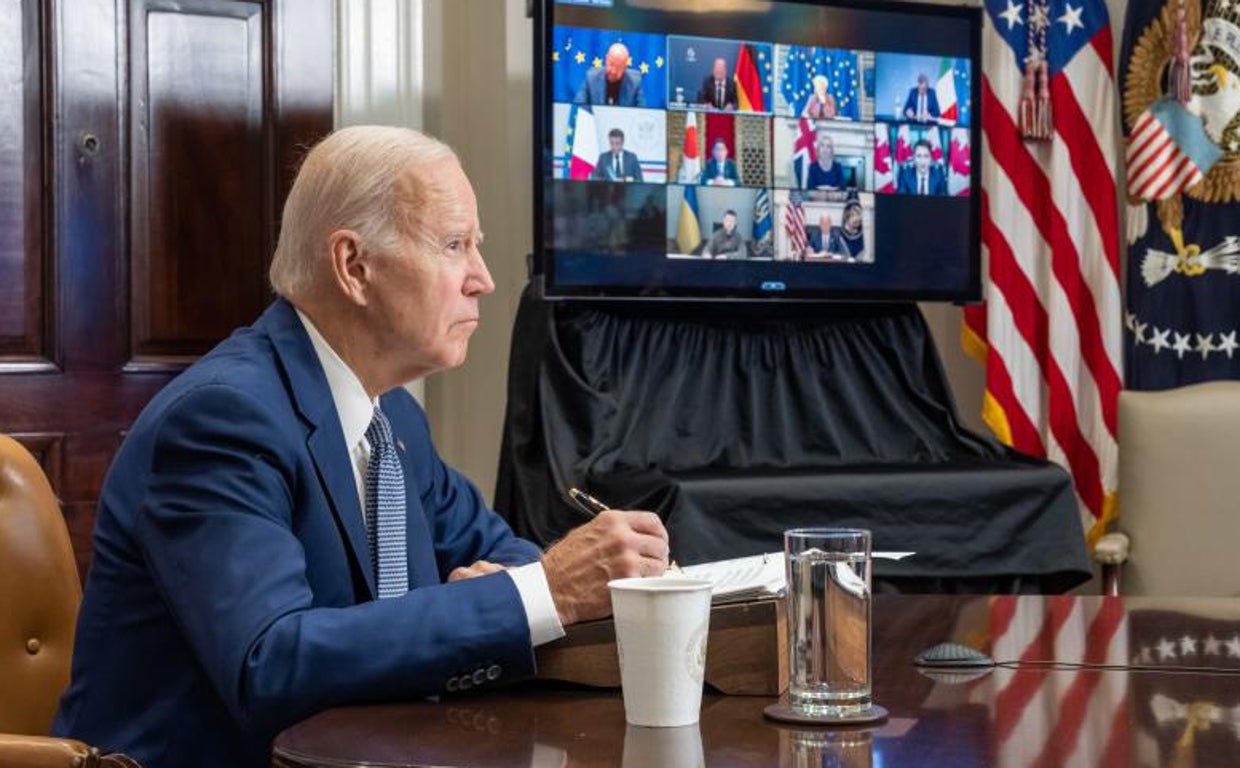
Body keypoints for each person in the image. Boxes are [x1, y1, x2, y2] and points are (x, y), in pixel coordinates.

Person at [51, 126, 670, 768]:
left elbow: (495, 551)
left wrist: (522, 583)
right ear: (354, 266)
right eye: (454, 245)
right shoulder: (221, 420)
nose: (482, 278)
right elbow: (270, 662)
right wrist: (542, 591)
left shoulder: (392, 415)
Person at [574, 42, 645, 107]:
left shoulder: (635, 81)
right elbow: (579, 105)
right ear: (606, 59)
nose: (613, 71)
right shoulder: (591, 77)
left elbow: (641, 111)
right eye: (611, 64)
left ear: (625, 67)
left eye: (618, 67)